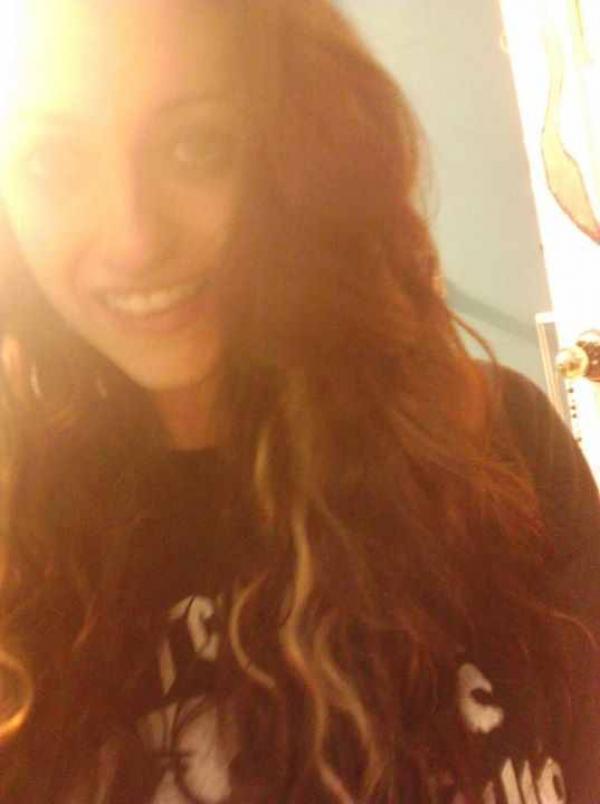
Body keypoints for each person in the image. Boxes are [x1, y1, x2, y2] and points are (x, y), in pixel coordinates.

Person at [0, 0, 597, 801]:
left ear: (295, 152)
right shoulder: (16, 535)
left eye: (195, 146)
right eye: (49, 162)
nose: (134, 238)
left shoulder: (497, 442)